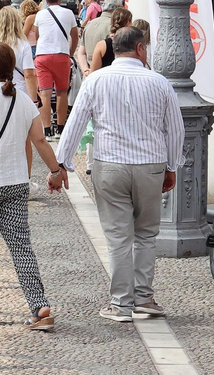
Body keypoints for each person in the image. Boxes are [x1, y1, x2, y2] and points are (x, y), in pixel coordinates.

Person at [52, 26, 184, 322]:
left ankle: (121, 304)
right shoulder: (159, 82)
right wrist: (171, 166)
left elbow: (75, 122)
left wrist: (62, 164)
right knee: (146, 234)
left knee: (118, 236)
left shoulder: (96, 80)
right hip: (150, 165)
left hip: (109, 164)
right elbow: (176, 129)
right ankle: (144, 297)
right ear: (140, 48)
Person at [0, 43, 66, 331]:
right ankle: (40, 307)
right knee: (21, 247)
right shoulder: (23, 100)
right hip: (16, 182)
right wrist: (55, 171)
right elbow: (40, 141)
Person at [31, 0, 79, 135]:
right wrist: (70, 53)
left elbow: (37, 35)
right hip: (61, 55)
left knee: (44, 94)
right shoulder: (68, 13)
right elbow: (75, 36)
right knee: (62, 92)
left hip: (42, 56)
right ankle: (60, 127)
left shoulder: (40, 14)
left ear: (46, 1)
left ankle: (46, 129)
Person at [88, 7, 133, 72]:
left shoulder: (102, 45)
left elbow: (93, 72)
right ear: (128, 23)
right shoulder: (133, 43)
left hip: (106, 80)